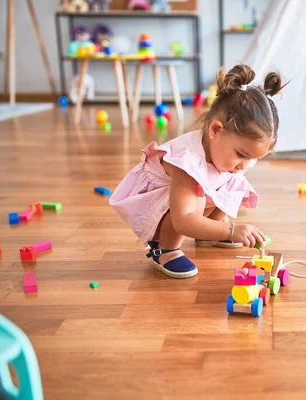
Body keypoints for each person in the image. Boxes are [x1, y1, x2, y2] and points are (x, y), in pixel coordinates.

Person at [109, 64, 285, 279]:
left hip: (191, 198)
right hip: (159, 204)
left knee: (233, 184)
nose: (245, 165)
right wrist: (231, 232)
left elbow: (230, 181)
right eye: (241, 154)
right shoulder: (186, 162)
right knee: (198, 199)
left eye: (254, 159)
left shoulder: (223, 153)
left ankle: (209, 233)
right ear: (215, 130)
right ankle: (165, 250)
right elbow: (182, 219)